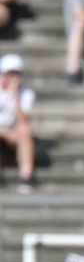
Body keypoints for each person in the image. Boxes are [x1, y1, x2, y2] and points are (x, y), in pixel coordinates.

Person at [0, 54, 37, 193]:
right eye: (10, 73)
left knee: (25, 130)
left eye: (16, 73)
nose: (13, 77)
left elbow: (23, 119)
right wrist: (6, 133)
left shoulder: (26, 92)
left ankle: (26, 176)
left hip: (14, 131)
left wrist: (15, 96)